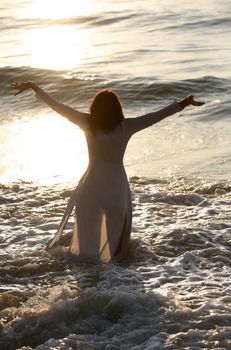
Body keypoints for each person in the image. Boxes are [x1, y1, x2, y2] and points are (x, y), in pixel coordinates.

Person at [11, 81, 204, 263]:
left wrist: (34, 87)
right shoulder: (127, 126)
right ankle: (114, 277)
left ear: (94, 108)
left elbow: (58, 107)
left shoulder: (87, 123)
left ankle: (89, 278)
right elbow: (156, 116)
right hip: (116, 188)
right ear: (117, 108)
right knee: (114, 243)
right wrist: (185, 103)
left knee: (88, 240)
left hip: (91, 187)